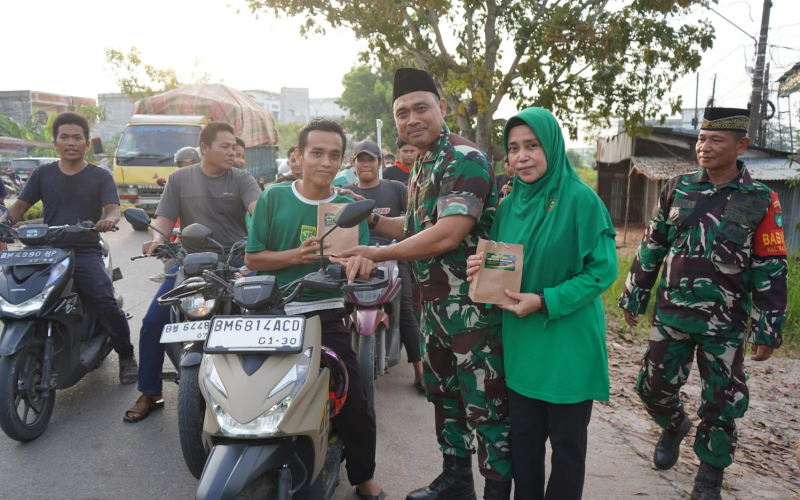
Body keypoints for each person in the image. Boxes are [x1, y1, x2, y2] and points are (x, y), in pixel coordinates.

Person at [340, 67, 512, 500]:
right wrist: (373, 218)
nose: (411, 118)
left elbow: (448, 232)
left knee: (485, 407)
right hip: (436, 309)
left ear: (443, 108)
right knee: (446, 398)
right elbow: (416, 226)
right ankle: (456, 481)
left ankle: (495, 491)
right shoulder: (425, 162)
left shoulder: (464, 158)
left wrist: (376, 253)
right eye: (402, 113)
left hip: (472, 310)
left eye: (421, 108)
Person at [618, 107, 788, 500]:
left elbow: (771, 267)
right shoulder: (677, 188)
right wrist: (634, 295)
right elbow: (652, 245)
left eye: (715, 140)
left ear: (740, 145)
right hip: (672, 313)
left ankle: (710, 475)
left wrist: (768, 327)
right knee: (652, 387)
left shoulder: (761, 200)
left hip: (724, 322)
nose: (704, 147)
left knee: (723, 402)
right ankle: (674, 424)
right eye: (701, 138)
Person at [466, 107, 617, 500]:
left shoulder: (581, 200)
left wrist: (545, 300)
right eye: (513, 148)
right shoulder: (511, 203)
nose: (521, 157)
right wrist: (482, 269)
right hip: (522, 346)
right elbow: (507, 262)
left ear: (551, 145)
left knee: (567, 448)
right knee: (524, 442)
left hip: (567, 346)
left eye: (532, 145)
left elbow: (601, 271)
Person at [245, 119, 391, 500]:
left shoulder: (346, 207)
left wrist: (360, 265)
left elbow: (360, 258)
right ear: (299, 156)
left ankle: (363, 476)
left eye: (334, 155)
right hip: (272, 313)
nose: (325, 162)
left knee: (355, 400)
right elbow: (253, 256)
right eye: (317, 153)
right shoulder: (274, 198)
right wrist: (295, 255)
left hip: (324, 312)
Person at [124, 121, 261, 423]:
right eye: (224, 147)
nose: (231, 152)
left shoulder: (241, 178)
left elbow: (259, 210)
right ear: (204, 148)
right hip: (190, 264)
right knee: (152, 322)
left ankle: (254, 386)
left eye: (233, 147)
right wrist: (157, 240)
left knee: (251, 319)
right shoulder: (180, 179)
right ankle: (149, 391)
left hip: (233, 263)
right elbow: (163, 219)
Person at [4, 112, 137, 384]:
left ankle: (126, 355)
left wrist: (108, 221)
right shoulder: (42, 174)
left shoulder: (100, 176)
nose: (71, 142)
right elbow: (17, 209)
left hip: (84, 251)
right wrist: (4, 222)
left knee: (104, 300)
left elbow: (113, 210)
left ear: (87, 144)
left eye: (77, 137)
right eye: (64, 137)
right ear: (55, 143)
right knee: (18, 293)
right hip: (46, 252)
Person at [342, 139, 425, 391]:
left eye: (371, 160)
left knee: (408, 313)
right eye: (361, 160)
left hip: (394, 255)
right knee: (338, 308)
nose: (366, 164)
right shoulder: (344, 192)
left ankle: (420, 372)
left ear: (380, 163)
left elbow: (412, 224)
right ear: (352, 163)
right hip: (355, 257)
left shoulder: (397, 188)